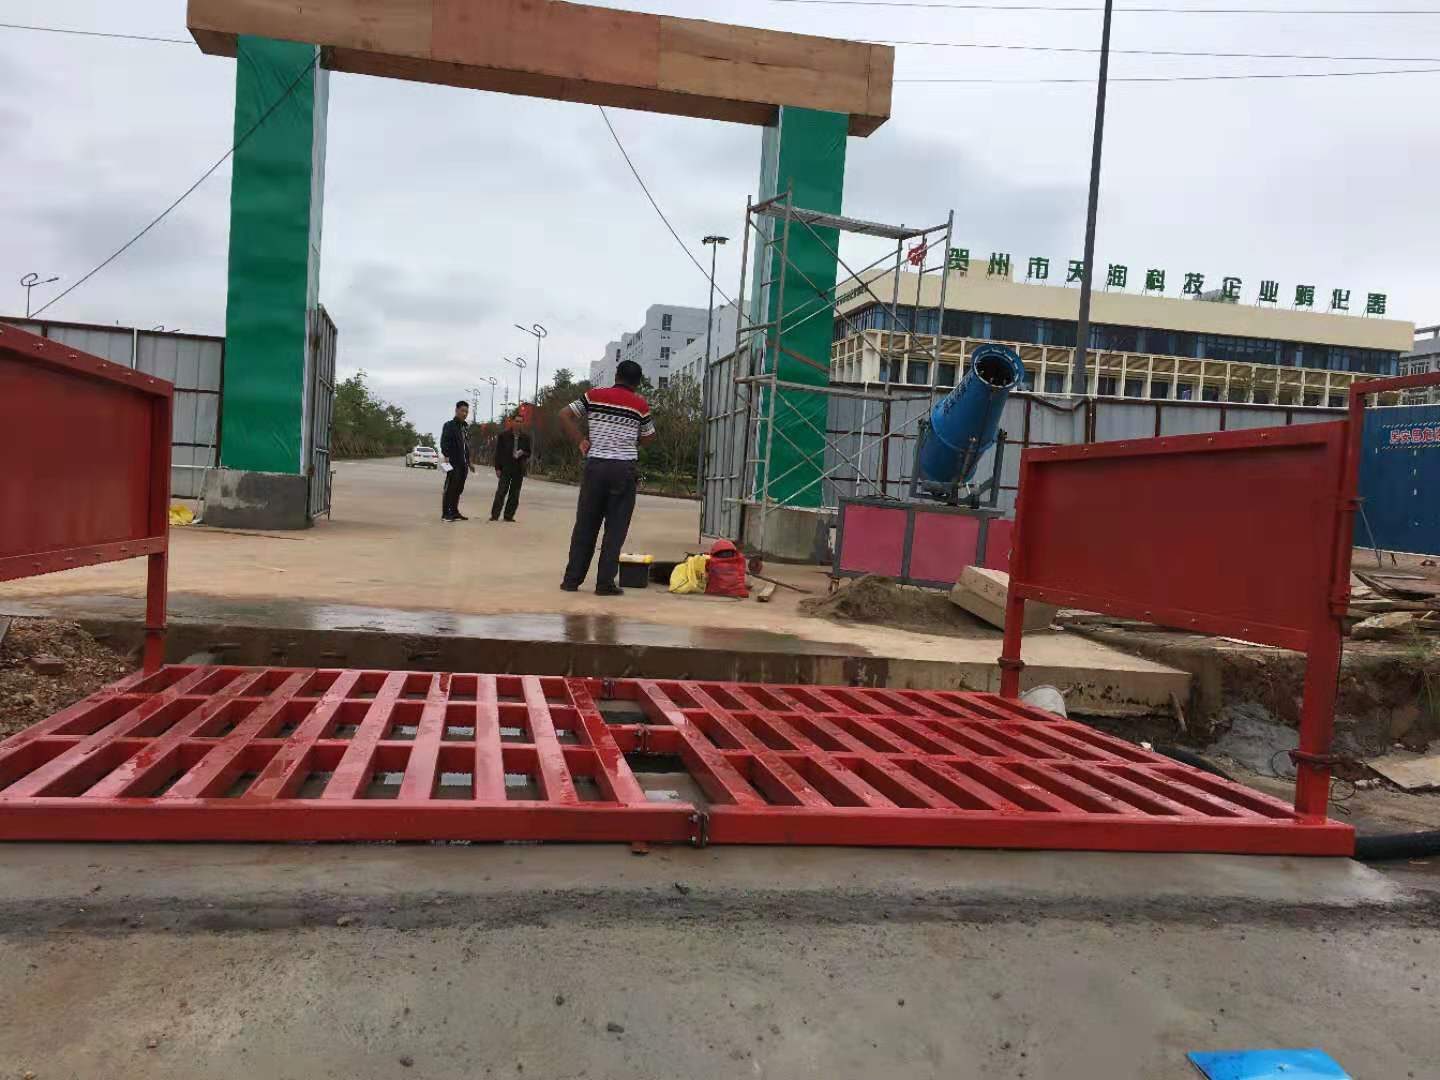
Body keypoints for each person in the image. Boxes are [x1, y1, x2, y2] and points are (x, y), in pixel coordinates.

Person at [558, 360, 656, 595]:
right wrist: (632, 439)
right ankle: (604, 584)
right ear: (637, 381)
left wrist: (581, 440)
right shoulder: (640, 405)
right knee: (615, 529)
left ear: (616, 375)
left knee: (585, 526)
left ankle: (572, 580)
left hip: (596, 468)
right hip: (623, 470)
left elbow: (564, 414)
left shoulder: (594, 395)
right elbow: (650, 436)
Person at [491, 412, 532, 522]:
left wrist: (522, 452)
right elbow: (498, 453)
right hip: (506, 468)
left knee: (514, 494)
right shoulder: (503, 436)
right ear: (512, 422)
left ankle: (509, 516)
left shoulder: (526, 438)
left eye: (520, 422)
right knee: (501, 492)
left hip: (518, 469)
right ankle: (495, 515)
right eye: (516, 421)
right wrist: (497, 468)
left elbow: (529, 452)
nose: (518, 423)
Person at [439, 400, 474, 522]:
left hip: (463, 463)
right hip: (453, 461)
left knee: (459, 488)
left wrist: (469, 462)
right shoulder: (449, 425)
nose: (465, 414)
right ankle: (446, 513)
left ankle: (454, 511)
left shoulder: (465, 427)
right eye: (462, 411)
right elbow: (444, 442)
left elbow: (466, 446)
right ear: (456, 410)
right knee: (450, 487)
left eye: (466, 412)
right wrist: (446, 456)